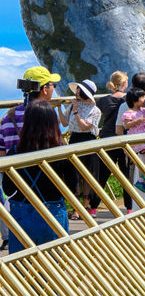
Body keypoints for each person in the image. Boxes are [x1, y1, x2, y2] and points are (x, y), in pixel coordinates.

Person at [4, 101, 77, 251]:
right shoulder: (62, 153)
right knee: (53, 265)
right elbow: (72, 187)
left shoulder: (15, 153)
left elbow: (8, 188)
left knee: (20, 265)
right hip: (53, 211)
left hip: (21, 213)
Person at [59, 78, 102, 215]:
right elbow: (65, 123)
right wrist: (59, 107)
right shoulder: (73, 105)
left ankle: (84, 205)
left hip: (87, 140)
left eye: (79, 90)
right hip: (74, 139)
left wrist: (76, 111)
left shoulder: (95, 110)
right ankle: (76, 207)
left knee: (87, 174)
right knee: (74, 174)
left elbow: (84, 127)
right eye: (77, 89)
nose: (76, 92)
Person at [1, 65, 60, 156]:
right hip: (43, 168)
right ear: (44, 89)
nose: (53, 88)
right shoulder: (46, 114)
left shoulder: (8, 116)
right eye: (53, 85)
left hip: (14, 169)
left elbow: (2, 153)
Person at [97, 71, 132, 212]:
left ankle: (93, 207)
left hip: (107, 138)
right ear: (125, 84)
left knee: (102, 173)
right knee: (126, 174)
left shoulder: (103, 100)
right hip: (123, 138)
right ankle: (129, 207)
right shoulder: (129, 100)